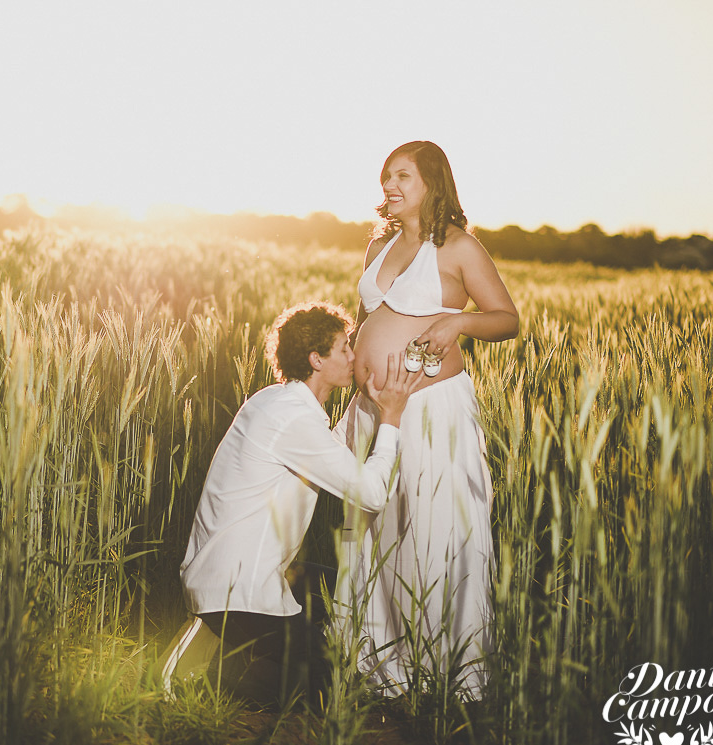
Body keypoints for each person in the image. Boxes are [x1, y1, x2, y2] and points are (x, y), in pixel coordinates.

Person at [334, 141, 519, 699]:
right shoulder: (378, 245)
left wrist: (457, 322)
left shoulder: (459, 247)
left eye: (402, 176)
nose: (389, 186)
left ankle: (448, 675)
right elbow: (366, 320)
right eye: (386, 177)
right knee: (376, 529)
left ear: (432, 182)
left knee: (434, 527)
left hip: (431, 409)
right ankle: (381, 666)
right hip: (374, 408)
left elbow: (506, 319)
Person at [176, 302, 423, 708]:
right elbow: (372, 493)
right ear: (316, 359)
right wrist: (391, 419)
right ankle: (210, 675)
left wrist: (367, 403)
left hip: (241, 579)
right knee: (330, 691)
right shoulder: (293, 419)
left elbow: (328, 449)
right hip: (241, 594)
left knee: (353, 587)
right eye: (344, 348)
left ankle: (246, 650)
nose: (354, 356)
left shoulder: (278, 403)